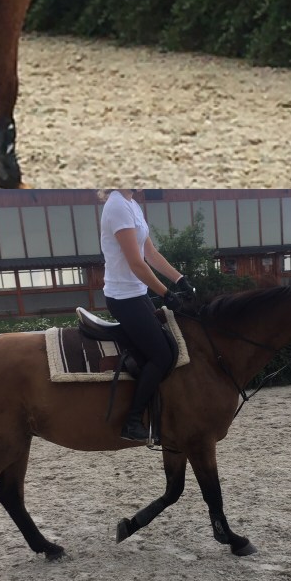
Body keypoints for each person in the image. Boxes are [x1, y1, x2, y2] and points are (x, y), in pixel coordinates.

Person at [99, 188, 196, 444]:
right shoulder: (117, 206)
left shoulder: (132, 204)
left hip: (137, 293)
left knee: (169, 348)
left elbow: (150, 254)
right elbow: (136, 262)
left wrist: (180, 279)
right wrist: (166, 294)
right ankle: (132, 422)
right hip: (123, 297)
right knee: (161, 355)